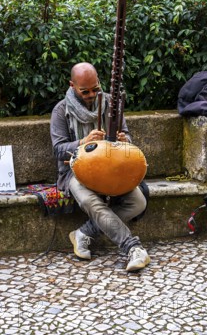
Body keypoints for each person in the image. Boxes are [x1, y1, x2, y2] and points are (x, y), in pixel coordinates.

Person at [50, 62, 150, 272]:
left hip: (110, 168)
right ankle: (131, 247)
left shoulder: (111, 105)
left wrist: (125, 140)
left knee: (138, 202)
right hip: (75, 171)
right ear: (72, 86)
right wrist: (83, 142)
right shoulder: (61, 110)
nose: (91, 94)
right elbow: (58, 150)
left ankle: (83, 233)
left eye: (95, 89)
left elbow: (127, 135)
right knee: (88, 200)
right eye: (84, 91)